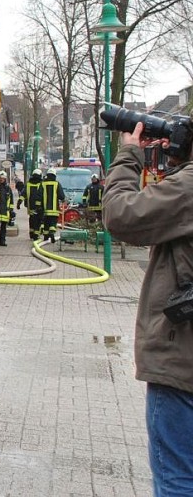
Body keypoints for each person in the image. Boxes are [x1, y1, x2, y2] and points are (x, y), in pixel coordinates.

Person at [103, 121, 193, 495]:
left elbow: (121, 215)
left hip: (182, 364)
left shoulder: (188, 187)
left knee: (177, 477)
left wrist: (129, 154)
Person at [40, 168, 65, 243]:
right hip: (54, 209)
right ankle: (52, 233)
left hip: (45, 209)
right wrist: (62, 199)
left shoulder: (43, 183)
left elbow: (39, 195)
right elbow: (61, 196)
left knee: (46, 223)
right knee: (53, 223)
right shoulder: (57, 184)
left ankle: (45, 237)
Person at [21, 169, 44, 241]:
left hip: (30, 206)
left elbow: (23, 193)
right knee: (38, 221)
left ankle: (31, 234)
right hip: (39, 206)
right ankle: (36, 235)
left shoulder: (28, 184)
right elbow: (42, 195)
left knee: (32, 219)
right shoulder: (41, 184)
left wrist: (19, 201)